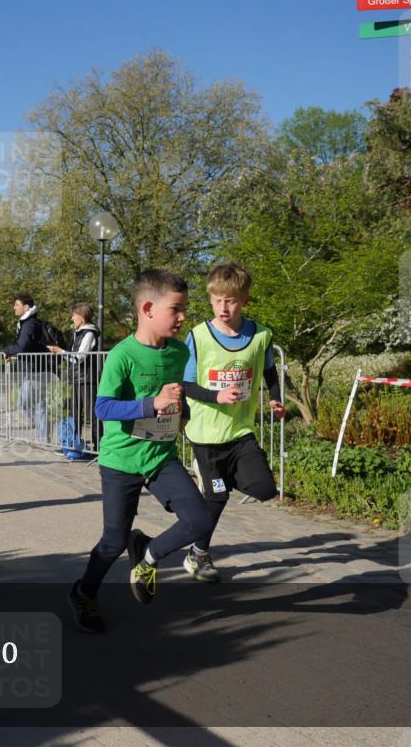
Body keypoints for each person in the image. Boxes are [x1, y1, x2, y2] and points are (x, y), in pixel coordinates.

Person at [68, 269, 212, 634]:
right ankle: (84, 593)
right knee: (113, 540)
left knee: (200, 520)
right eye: (176, 310)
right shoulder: (122, 355)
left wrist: (184, 413)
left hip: (161, 457)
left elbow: (176, 395)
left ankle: (147, 557)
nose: (183, 318)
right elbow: (103, 408)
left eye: (185, 309)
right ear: (148, 308)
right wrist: (151, 404)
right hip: (121, 461)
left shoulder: (179, 352)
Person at [181, 262, 286, 582]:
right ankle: (197, 555)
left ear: (244, 301)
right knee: (217, 497)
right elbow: (184, 384)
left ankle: (217, 480)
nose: (223, 307)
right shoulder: (198, 336)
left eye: (230, 300)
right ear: (210, 299)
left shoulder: (261, 335)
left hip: (240, 432)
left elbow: (269, 370)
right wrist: (216, 397)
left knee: (266, 489)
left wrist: (274, 396)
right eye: (217, 300)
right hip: (206, 433)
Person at [48, 303, 101, 453]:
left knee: (92, 414)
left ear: (82, 317)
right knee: (74, 412)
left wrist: (61, 352)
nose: (71, 318)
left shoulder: (89, 333)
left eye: (74, 315)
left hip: (88, 379)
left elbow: (80, 357)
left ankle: (99, 448)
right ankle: (73, 445)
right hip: (76, 378)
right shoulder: (76, 332)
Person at [3, 293, 50, 445]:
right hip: (36, 370)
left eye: (16, 304)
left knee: (25, 404)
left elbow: (21, 347)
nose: (14, 307)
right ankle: (43, 437)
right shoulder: (29, 323)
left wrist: (7, 349)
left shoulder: (29, 324)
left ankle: (44, 434)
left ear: (26, 307)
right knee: (38, 405)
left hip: (34, 371)